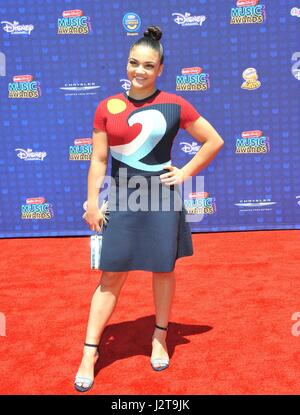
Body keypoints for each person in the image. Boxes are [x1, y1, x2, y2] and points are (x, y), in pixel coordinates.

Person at [74, 25, 224, 392]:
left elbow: (213, 140)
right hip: (122, 197)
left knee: (163, 270)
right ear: (127, 65)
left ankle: (160, 337)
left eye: (148, 65)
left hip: (161, 198)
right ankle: (89, 352)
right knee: (111, 277)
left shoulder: (176, 104)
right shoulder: (107, 106)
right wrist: (93, 203)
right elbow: (97, 159)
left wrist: (186, 171)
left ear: (160, 69)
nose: (139, 71)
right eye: (133, 63)